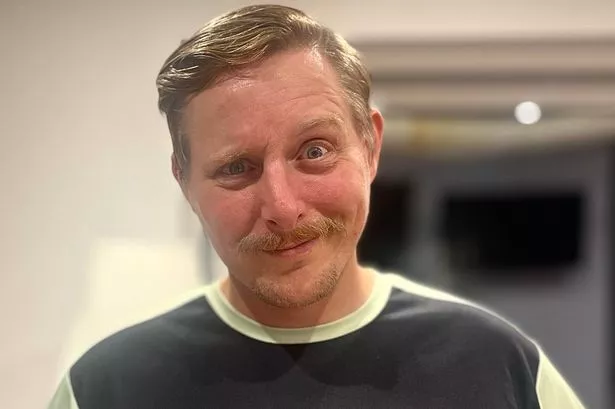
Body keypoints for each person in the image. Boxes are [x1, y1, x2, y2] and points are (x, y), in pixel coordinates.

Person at [48, 5, 586, 408]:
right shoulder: (104, 389)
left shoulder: (500, 368)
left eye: (315, 151)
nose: (282, 206)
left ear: (371, 148)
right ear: (185, 182)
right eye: (237, 167)